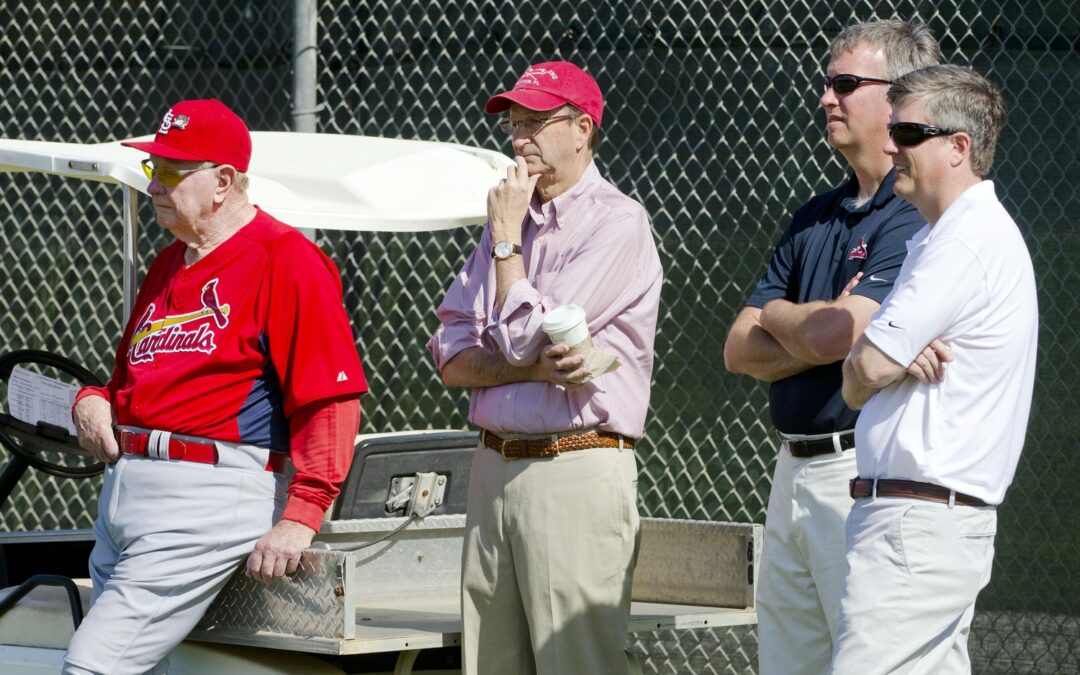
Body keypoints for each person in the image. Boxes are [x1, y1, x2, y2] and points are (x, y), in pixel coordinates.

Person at [62, 98, 368, 675]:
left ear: (223, 181)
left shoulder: (286, 260)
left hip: (209, 491)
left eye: (171, 171)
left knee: (91, 665)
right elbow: (129, 382)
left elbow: (329, 399)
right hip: (129, 490)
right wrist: (93, 401)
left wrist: (302, 513)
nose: (154, 183)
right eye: (154, 168)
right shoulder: (169, 263)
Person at [427, 61, 662, 675]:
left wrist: (506, 243)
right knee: (490, 665)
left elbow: (526, 334)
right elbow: (451, 353)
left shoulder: (616, 221)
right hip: (492, 465)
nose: (519, 137)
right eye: (514, 122)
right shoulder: (509, 221)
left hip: (573, 463)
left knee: (576, 664)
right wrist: (528, 373)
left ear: (582, 129)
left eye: (536, 121)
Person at [722, 20, 941, 675]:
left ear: (898, 99)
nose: (826, 98)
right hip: (790, 470)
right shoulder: (815, 214)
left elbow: (839, 336)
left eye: (846, 84)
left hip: (861, 473)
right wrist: (814, 323)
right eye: (826, 83)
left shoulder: (912, 212)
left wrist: (784, 318)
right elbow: (738, 347)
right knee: (787, 662)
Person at [835, 64, 1036, 674]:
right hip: (922, 522)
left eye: (910, 132)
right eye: (893, 129)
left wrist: (878, 358)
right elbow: (854, 383)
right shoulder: (939, 236)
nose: (892, 145)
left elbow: (865, 364)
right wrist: (883, 357)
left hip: (917, 524)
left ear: (959, 147)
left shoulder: (965, 239)